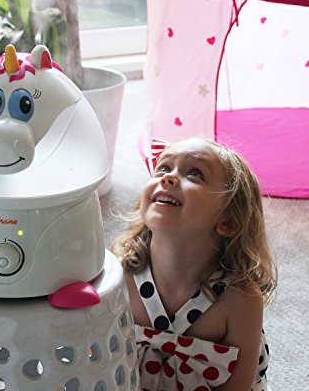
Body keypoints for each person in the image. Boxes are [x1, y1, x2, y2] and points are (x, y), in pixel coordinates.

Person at [113, 137, 277, 391]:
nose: (168, 177)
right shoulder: (118, 274)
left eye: (194, 173)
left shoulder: (240, 299)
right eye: (163, 168)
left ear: (227, 221)